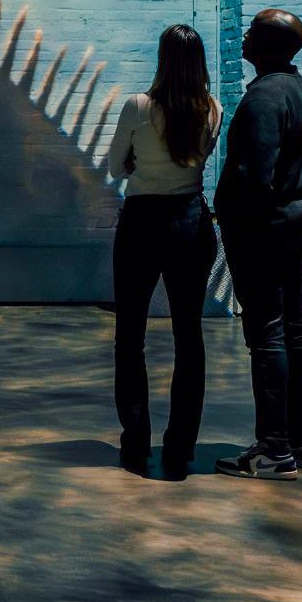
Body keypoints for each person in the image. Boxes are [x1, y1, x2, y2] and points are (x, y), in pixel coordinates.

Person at [213, 9, 302, 481]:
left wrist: (230, 221)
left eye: (252, 31)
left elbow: (253, 178)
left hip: (262, 236)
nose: (244, 36)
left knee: (267, 337)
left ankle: (274, 449)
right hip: (296, 232)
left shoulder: (263, 98)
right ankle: (301, 441)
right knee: (295, 332)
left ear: (267, 45)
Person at [105, 23, 223, 478]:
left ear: (162, 58)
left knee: (130, 335)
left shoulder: (137, 106)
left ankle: (136, 442)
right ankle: (180, 447)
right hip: (190, 220)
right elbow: (196, 158)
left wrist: (138, 160)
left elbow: (116, 167)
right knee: (188, 337)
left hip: (142, 222)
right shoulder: (213, 108)